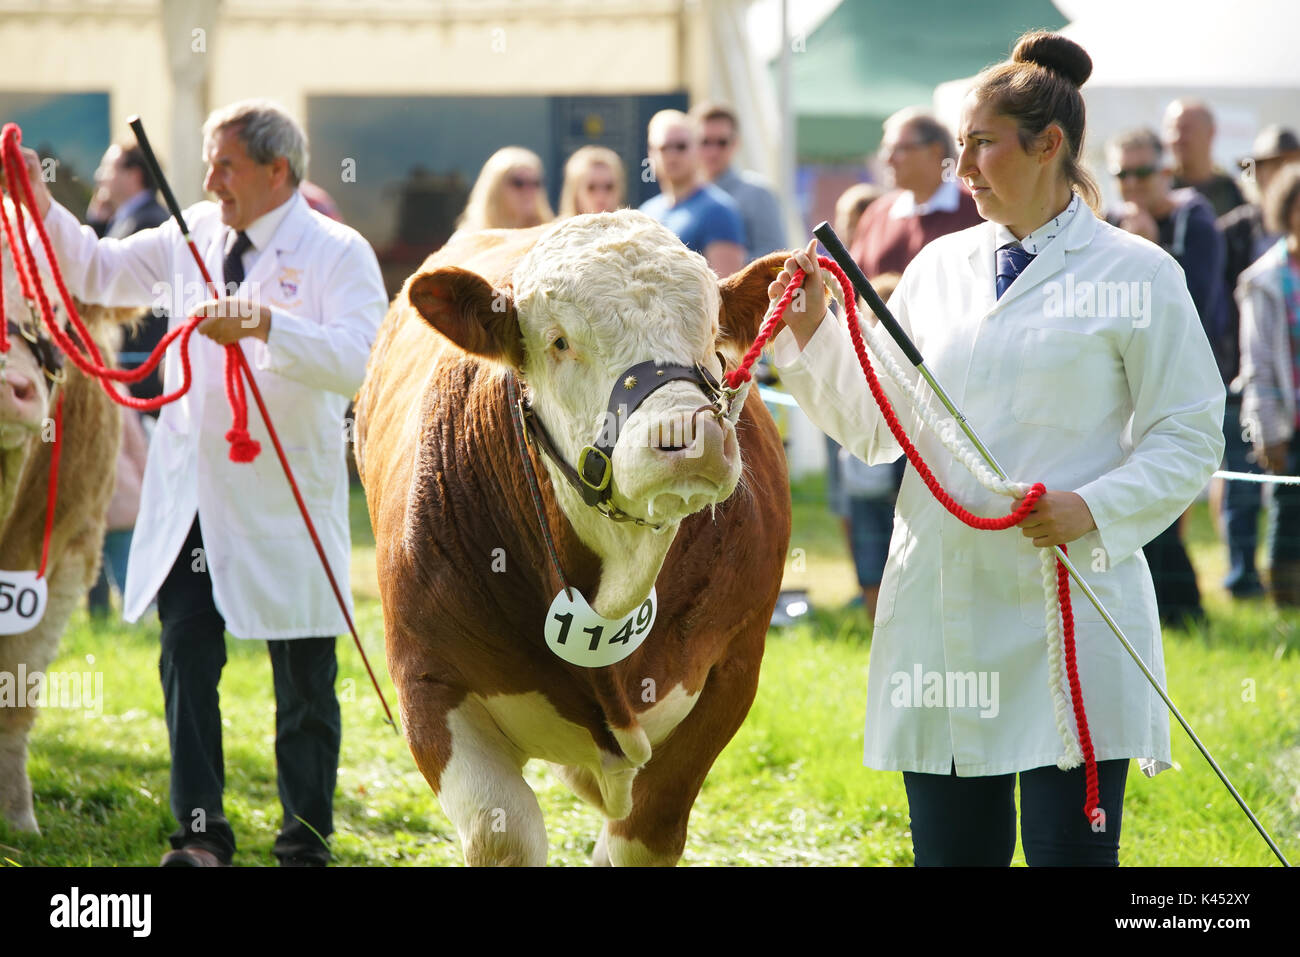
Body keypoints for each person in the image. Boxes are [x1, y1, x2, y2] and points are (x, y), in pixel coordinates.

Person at [770, 31, 1224, 866]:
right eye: (959, 146)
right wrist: (813, 331)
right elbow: (880, 427)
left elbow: (1191, 431)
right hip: (945, 620)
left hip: (1073, 611)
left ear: (1048, 144)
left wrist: (1093, 506)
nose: (963, 168)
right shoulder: (938, 268)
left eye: (980, 144)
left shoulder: (1141, 274)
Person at [10, 98, 388, 866]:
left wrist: (269, 326)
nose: (209, 179)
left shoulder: (338, 252)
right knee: (186, 658)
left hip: (286, 505)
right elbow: (96, 269)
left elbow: (360, 360)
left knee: (304, 678)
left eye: (225, 165)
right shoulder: (190, 241)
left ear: (277, 170)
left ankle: (304, 841)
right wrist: (38, 203)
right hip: (193, 501)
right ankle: (201, 834)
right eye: (210, 164)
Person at [1106, 127, 1227, 625]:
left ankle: (1182, 605)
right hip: (1125, 382)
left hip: (1184, 377)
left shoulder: (1195, 218)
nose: (1131, 184)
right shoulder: (1111, 222)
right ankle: (1164, 604)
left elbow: (1196, 301)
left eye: (1141, 172)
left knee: (1171, 490)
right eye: (1121, 174)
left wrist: (1149, 248)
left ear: (1164, 172)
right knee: (1134, 489)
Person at [1215, 126, 1300, 598]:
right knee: (1265, 501)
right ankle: (1263, 590)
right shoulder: (1252, 261)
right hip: (1271, 402)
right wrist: (1265, 423)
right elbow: (1257, 355)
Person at [1237, 162, 1300, 605]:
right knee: (1288, 514)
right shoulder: (1264, 279)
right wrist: (1267, 430)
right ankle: (1288, 612)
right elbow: (1256, 361)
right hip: (1289, 422)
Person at [849, 108, 982, 279]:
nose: (887, 159)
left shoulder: (977, 210)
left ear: (935, 151)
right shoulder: (877, 214)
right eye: (886, 149)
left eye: (899, 149)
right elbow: (851, 292)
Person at [639, 109, 746, 277]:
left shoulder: (719, 211)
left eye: (681, 146)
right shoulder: (646, 212)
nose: (672, 155)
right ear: (651, 153)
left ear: (697, 149)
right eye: (664, 147)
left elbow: (727, 293)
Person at [690, 101, 787, 261]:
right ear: (692, 144)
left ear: (735, 143)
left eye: (722, 142)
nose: (713, 151)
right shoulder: (684, 197)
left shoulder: (758, 194)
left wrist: (724, 260)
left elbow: (778, 259)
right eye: (705, 142)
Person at [1163, 98, 1245, 217]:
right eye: (1172, 130)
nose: (1177, 138)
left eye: (1186, 129)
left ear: (1211, 133)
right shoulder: (1160, 189)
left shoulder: (1233, 191)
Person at [455, 145, 554, 234]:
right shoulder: (468, 239)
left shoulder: (552, 235)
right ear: (494, 189)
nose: (529, 191)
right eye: (518, 183)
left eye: (536, 183)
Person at [557, 145, 625, 217]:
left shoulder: (635, 227)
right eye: (591, 188)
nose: (601, 196)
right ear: (575, 192)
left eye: (609, 187)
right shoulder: (556, 228)